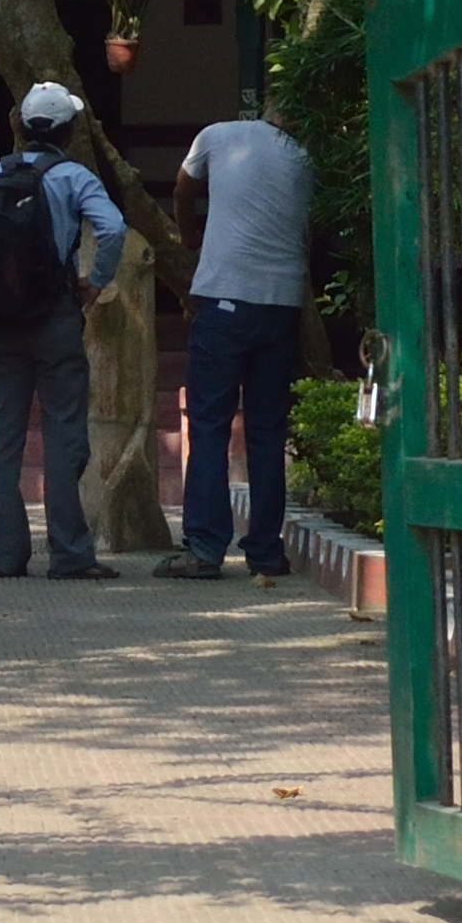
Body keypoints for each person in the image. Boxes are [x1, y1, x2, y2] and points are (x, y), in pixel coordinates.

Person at [0, 80, 127, 581]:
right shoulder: (74, 176)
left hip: (2, 321)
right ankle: (70, 553)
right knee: (63, 431)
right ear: (69, 131)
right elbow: (113, 228)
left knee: (5, 433)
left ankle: (6, 554)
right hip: (55, 315)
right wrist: (94, 283)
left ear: (23, 125)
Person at [164, 69, 316, 580]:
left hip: (225, 300)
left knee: (209, 423)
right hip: (281, 305)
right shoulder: (306, 161)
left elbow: (184, 188)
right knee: (268, 430)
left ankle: (205, 548)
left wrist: (190, 237)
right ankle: (266, 551)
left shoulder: (219, 135)